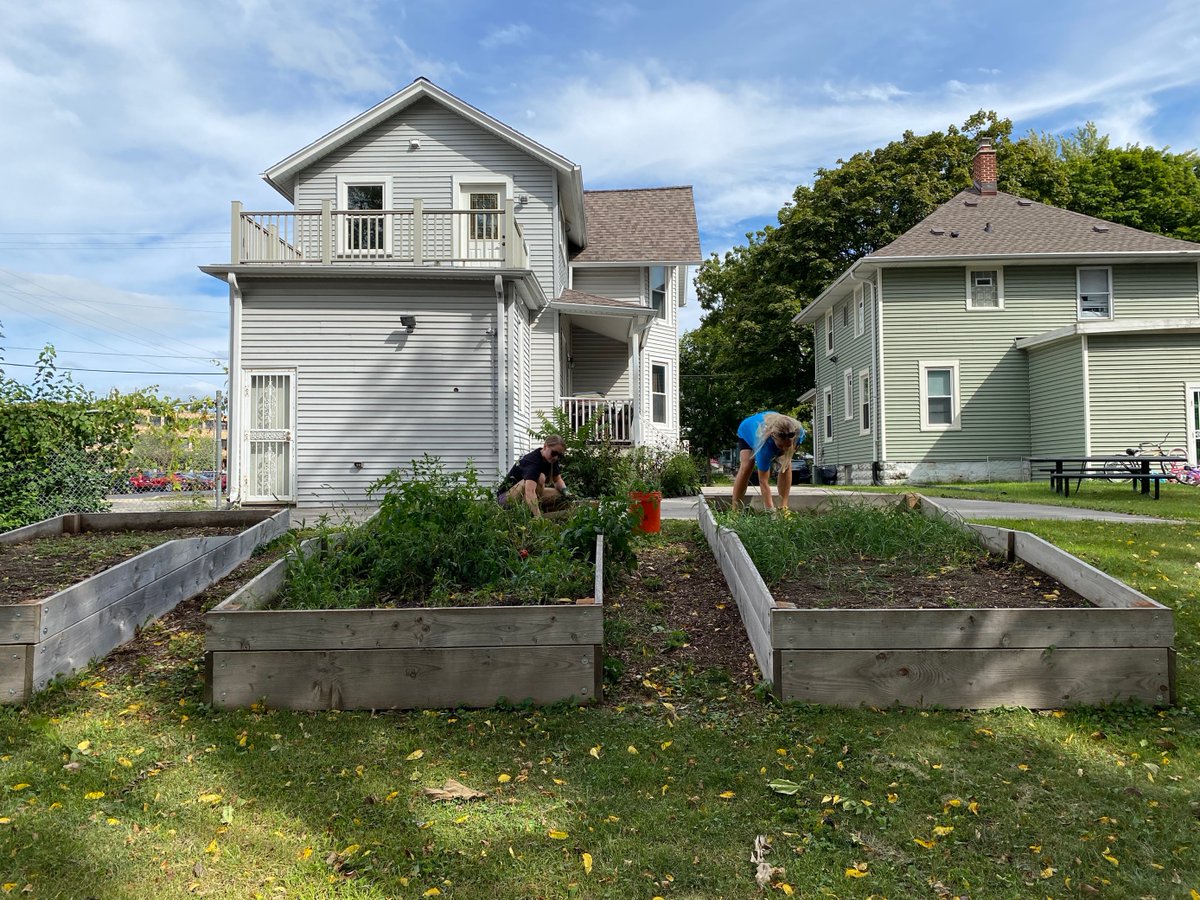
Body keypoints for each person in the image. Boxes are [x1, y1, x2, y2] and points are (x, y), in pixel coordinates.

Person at [731, 411, 805, 511]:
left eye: (787, 445)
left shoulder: (798, 433)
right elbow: (763, 481)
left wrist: (785, 448)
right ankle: (736, 509)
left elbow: (787, 455)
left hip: (778, 425)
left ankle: (783, 508)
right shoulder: (764, 446)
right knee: (747, 466)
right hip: (747, 429)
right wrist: (770, 510)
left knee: (786, 464)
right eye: (780, 446)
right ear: (773, 437)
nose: (784, 449)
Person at [497, 435, 570, 516]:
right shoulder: (533, 461)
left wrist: (566, 492)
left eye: (559, 455)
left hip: (526, 494)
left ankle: (540, 510)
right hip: (505, 499)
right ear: (545, 446)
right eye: (554, 453)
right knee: (540, 477)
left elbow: (557, 480)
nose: (556, 457)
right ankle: (529, 514)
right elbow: (530, 491)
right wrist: (538, 519)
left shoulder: (552, 459)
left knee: (560, 495)